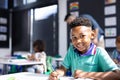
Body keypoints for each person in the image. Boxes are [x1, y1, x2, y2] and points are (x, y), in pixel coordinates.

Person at [49, 17, 120, 80]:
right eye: (74, 37)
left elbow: (117, 74)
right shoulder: (72, 50)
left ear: (92, 35)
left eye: (82, 36)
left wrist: (85, 74)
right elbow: (63, 69)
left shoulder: (99, 52)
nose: (78, 41)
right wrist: (56, 74)